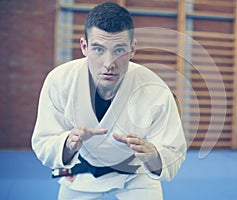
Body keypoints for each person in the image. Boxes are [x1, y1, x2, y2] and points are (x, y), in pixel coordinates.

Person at [32, 2, 186, 199]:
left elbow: (174, 151)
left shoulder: (155, 90)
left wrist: (155, 156)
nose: (109, 63)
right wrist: (67, 145)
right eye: (98, 49)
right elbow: (43, 141)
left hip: (136, 176)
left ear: (133, 49)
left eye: (119, 50)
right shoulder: (60, 82)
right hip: (82, 174)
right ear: (84, 47)